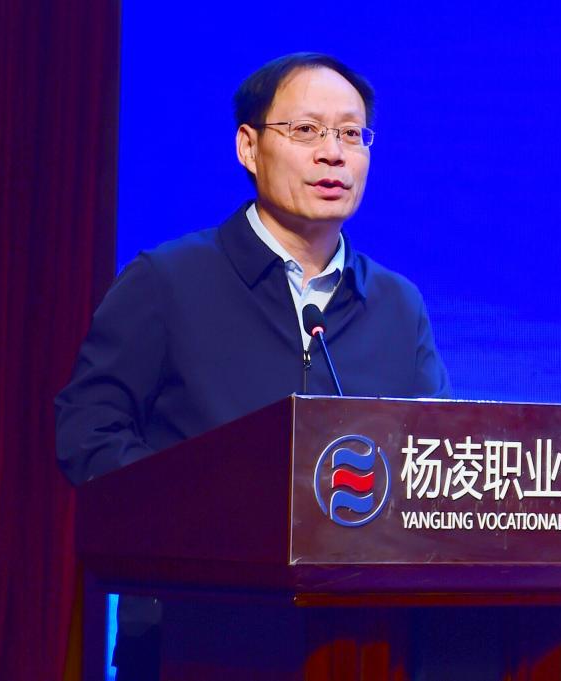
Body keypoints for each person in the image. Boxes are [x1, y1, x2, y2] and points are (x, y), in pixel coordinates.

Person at [55, 52, 451, 680]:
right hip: (191, 633)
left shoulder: (397, 305)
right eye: (306, 130)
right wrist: (196, 519)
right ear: (249, 146)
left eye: (351, 134)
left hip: (359, 644)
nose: (332, 154)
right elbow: (89, 431)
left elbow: (434, 463)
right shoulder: (168, 281)